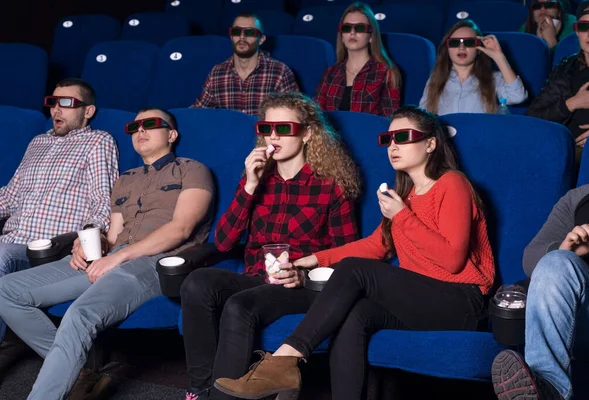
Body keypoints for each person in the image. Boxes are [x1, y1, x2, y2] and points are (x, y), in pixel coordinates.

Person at [213, 105, 496, 400]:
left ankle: (284, 360)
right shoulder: (406, 195)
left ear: (430, 143)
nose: (394, 146)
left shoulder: (452, 183)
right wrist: (312, 260)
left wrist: (401, 216)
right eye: (388, 139)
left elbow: (452, 260)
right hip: (423, 303)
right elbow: (376, 246)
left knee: (355, 269)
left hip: (463, 302)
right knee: (355, 314)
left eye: (404, 137)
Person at [0, 108, 215, 400]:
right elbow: (113, 236)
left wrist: (119, 258)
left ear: (172, 134)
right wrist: (88, 243)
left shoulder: (193, 170)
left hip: (154, 262)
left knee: (80, 316)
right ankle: (77, 364)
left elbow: (181, 229)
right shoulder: (126, 179)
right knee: (5, 290)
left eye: (151, 124)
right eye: (134, 126)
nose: (140, 130)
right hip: (111, 257)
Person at [180, 91, 361, 400]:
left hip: (299, 287)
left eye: (284, 128)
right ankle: (200, 390)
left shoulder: (331, 186)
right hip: (255, 277)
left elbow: (348, 259)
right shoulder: (256, 179)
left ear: (307, 133)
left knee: (240, 306)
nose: (273, 136)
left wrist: (303, 275)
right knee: (196, 282)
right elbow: (223, 242)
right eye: (266, 129)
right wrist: (249, 185)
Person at [0, 78, 119, 345]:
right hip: (11, 240)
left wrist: (88, 238)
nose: (56, 110)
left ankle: (69, 362)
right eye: (53, 102)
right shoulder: (37, 142)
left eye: (67, 103)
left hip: (50, 249)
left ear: (88, 111)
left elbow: (103, 201)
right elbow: (9, 196)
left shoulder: (98, 141)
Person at [491, 125, 589, 400]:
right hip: (586, 320)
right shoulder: (576, 199)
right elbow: (531, 258)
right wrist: (567, 250)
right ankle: (549, 389)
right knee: (554, 262)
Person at [190, 13, 299, 116]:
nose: (242, 37)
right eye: (236, 32)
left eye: (250, 32)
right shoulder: (217, 73)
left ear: (261, 39)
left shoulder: (280, 72)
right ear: (231, 36)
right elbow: (198, 112)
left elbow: (295, 114)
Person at [527, 0, 589, 152]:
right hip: (563, 151)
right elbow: (533, 116)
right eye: (584, 26)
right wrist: (574, 102)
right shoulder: (566, 68)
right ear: (578, 32)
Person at [419, 20, 528, 115]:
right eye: (455, 42)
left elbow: (517, 97)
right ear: (447, 48)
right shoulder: (436, 79)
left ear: (479, 48)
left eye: (469, 42)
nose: (461, 47)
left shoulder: (493, 79)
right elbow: (423, 115)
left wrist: (499, 57)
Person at [313, 2, 401, 117]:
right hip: (331, 135)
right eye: (346, 28)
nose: (352, 33)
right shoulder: (330, 74)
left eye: (359, 28)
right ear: (341, 36)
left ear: (371, 36)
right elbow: (317, 117)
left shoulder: (386, 72)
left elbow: (390, 120)